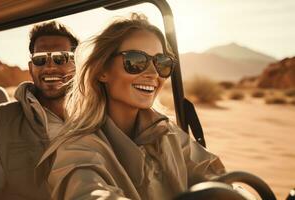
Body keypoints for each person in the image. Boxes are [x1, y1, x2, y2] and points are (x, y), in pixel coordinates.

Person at [36, 14, 225, 200]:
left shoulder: (167, 132)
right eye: (135, 61)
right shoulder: (76, 148)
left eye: (161, 63)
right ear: (102, 71)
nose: (153, 73)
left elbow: (214, 176)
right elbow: (86, 190)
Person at [0, 21, 79, 199]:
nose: (50, 66)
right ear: (31, 68)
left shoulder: (99, 117)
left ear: (78, 65)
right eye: (40, 59)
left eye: (61, 58)